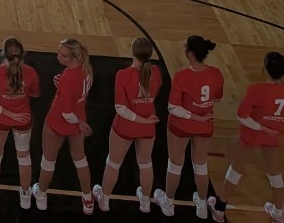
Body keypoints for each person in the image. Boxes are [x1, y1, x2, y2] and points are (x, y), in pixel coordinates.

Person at [208, 51, 284, 223]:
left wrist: (262, 127)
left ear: (265, 70)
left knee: (235, 170)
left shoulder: (257, 89)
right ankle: (278, 212)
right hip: (274, 136)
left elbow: (241, 115)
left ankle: (219, 209)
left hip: (251, 135)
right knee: (275, 174)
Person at [155, 35, 224, 219]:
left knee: (175, 164)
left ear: (190, 54)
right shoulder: (216, 73)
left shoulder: (182, 76)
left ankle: (168, 202)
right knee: (200, 166)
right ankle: (202, 205)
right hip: (205, 126)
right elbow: (218, 97)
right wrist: (201, 113)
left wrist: (194, 116)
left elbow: (173, 107)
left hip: (181, 126)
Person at [93, 38, 162, 214]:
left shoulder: (123, 75)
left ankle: (104, 199)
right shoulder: (156, 72)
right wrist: (145, 120)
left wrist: (141, 120)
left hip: (125, 127)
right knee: (145, 163)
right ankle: (145, 202)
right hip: (148, 128)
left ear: (132, 51)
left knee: (113, 162)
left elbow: (121, 108)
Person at [32, 38, 94, 215]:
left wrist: (79, 123)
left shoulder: (68, 77)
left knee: (48, 160)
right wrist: (62, 88)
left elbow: (67, 113)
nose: (58, 56)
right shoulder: (86, 70)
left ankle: (41, 195)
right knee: (80, 160)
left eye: (62, 55)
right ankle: (88, 199)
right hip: (77, 123)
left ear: (72, 58)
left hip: (58, 123)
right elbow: (77, 92)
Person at [0, 37, 41, 210]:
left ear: (3, 55)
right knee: (24, 157)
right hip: (24, 120)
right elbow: (35, 93)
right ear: (23, 55)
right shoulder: (31, 72)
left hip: (0, 120)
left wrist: (9, 113)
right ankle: (25, 195)